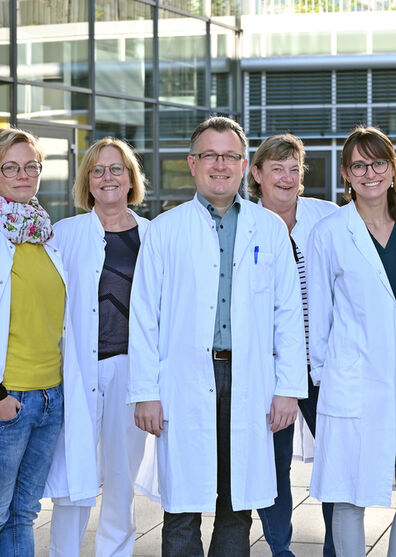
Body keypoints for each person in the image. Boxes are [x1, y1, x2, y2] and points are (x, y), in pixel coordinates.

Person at [128, 116, 307, 557]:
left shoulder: (269, 229)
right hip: (185, 377)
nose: (220, 165)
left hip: (249, 377)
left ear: (245, 165)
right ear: (193, 163)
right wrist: (145, 393)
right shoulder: (165, 230)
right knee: (183, 505)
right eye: (210, 155)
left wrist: (288, 390)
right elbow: (144, 316)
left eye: (229, 156)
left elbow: (288, 313)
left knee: (236, 503)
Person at [0, 127, 97, 556]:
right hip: (7, 400)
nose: (24, 174)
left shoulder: (43, 237)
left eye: (32, 166)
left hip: (50, 398)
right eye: (11, 166)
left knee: (24, 510)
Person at [307, 126, 396, 557]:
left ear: (392, 169)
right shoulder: (329, 233)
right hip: (352, 384)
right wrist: (329, 376)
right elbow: (319, 317)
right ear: (346, 173)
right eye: (359, 165)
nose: (370, 173)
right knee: (347, 496)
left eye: (378, 162)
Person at [49, 137, 150, 556]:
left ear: (131, 178)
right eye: (97, 170)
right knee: (74, 476)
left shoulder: (153, 235)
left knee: (121, 479)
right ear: (86, 182)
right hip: (77, 371)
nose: (107, 177)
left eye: (116, 169)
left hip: (130, 372)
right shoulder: (63, 234)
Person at [248, 133, 338, 557]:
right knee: (274, 465)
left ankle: (339, 548)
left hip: (322, 365)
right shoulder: (244, 224)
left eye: (293, 169)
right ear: (257, 174)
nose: (285, 178)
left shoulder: (329, 217)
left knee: (337, 460)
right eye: (276, 169)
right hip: (270, 369)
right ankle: (280, 549)